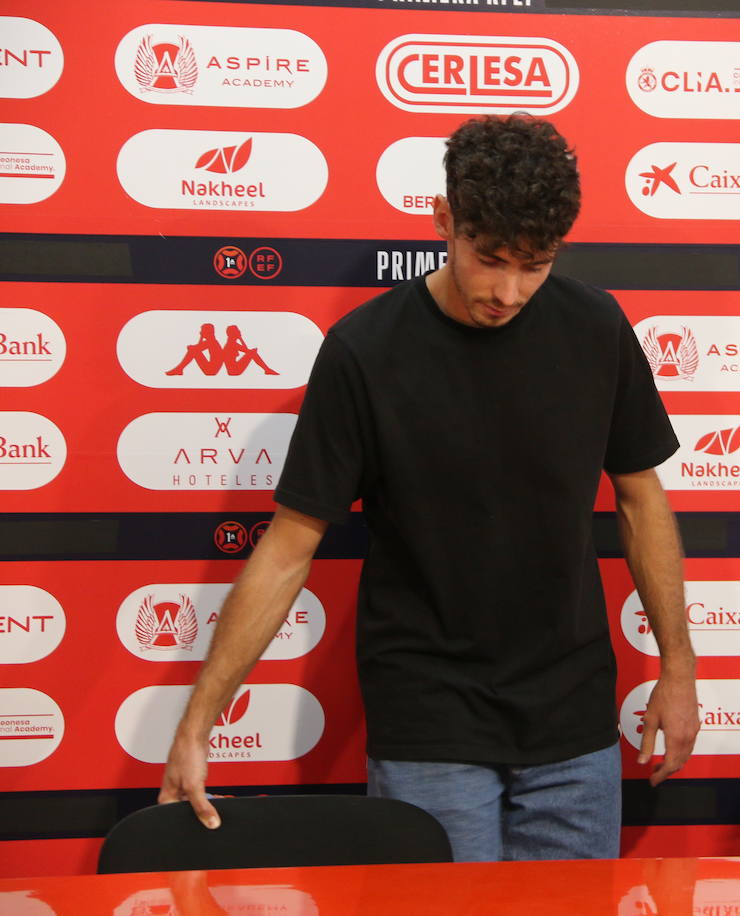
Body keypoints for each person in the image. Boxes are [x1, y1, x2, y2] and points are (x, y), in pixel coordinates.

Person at [159, 115, 700, 861]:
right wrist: (199, 722)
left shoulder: (597, 328)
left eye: (535, 264)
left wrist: (678, 667)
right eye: (491, 258)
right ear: (443, 219)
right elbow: (288, 549)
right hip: (428, 717)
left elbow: (642, 499)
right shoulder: (364, 351)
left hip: (572, 716)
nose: (509, 291)